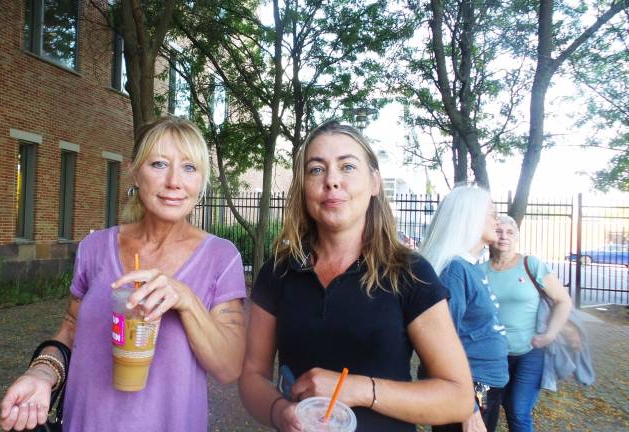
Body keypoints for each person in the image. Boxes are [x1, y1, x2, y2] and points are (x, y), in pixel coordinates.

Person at [0, 117, 247, 431]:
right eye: (159, 164)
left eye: (189, 168)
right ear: (135, 171)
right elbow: (70, 331)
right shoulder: (95, 248)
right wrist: (42, 372)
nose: (174, 181)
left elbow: (229, 368)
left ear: (201, 181)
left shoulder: (220, 257)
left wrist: (186, 300)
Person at [239, 121, 475, 432]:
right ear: (303, 187)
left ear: (375, 182)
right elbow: (252, 375)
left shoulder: (411, 274)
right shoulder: (278, 272)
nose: (332, 181)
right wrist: (280, 411)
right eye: (316, 169)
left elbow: (458, 397)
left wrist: (359, 390)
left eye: (347, 167)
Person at [419, 184, 509, 432]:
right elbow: (440, 344)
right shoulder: (455, 271)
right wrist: (468, 407)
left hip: (484, 386)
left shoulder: (470, 267)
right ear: (470, 217)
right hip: (470, 388)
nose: (498, 220)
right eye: (492, 213)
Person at [481, 215, 572, 432]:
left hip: (529, 353)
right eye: (499, 231)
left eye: (510, 232)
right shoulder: (479, 271)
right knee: (484, 406)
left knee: (518, 409)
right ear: (491, 237)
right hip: (491, 355)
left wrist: (550, 335)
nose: (504, 236)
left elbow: (563, 300)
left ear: (517, 238)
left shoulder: (531, 265)